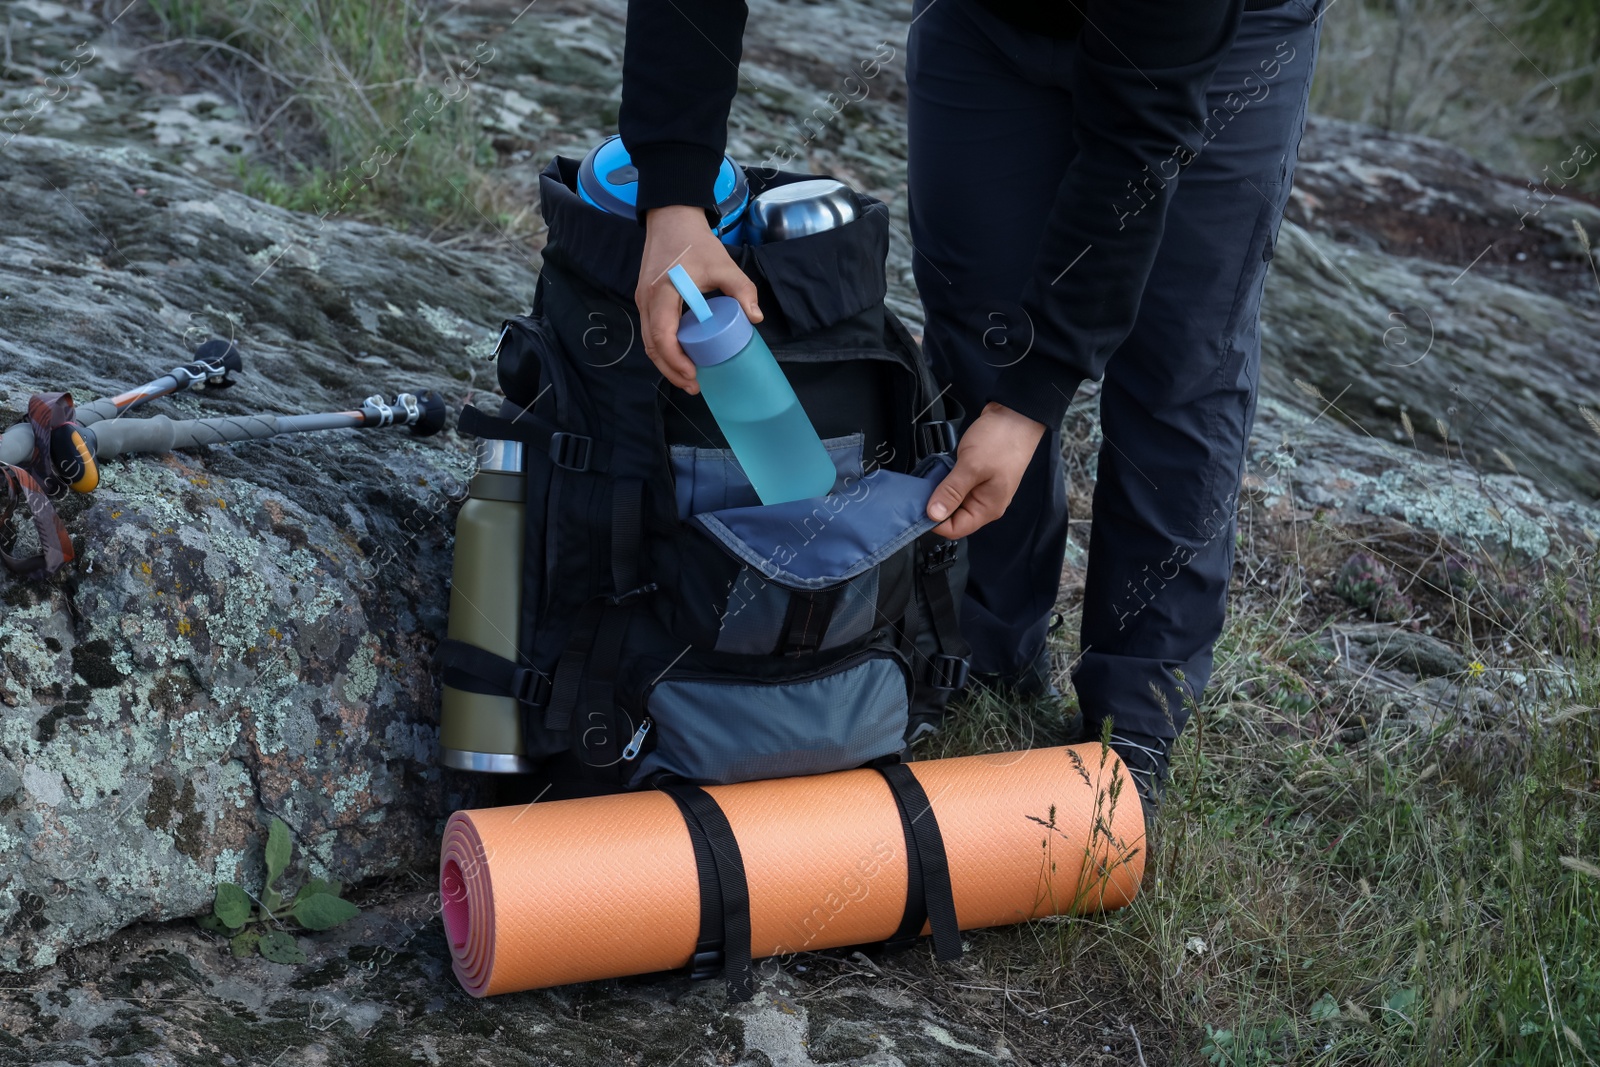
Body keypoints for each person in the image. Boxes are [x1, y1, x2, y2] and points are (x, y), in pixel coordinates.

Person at [619, 0, 1324, 805]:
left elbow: (1140, 140)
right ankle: (978, 649)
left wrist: (1035, 399)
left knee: (1178, 367)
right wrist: (674, 197)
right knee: (982, 336)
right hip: (986, 24)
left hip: (1221, 42)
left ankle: (1135, 718)